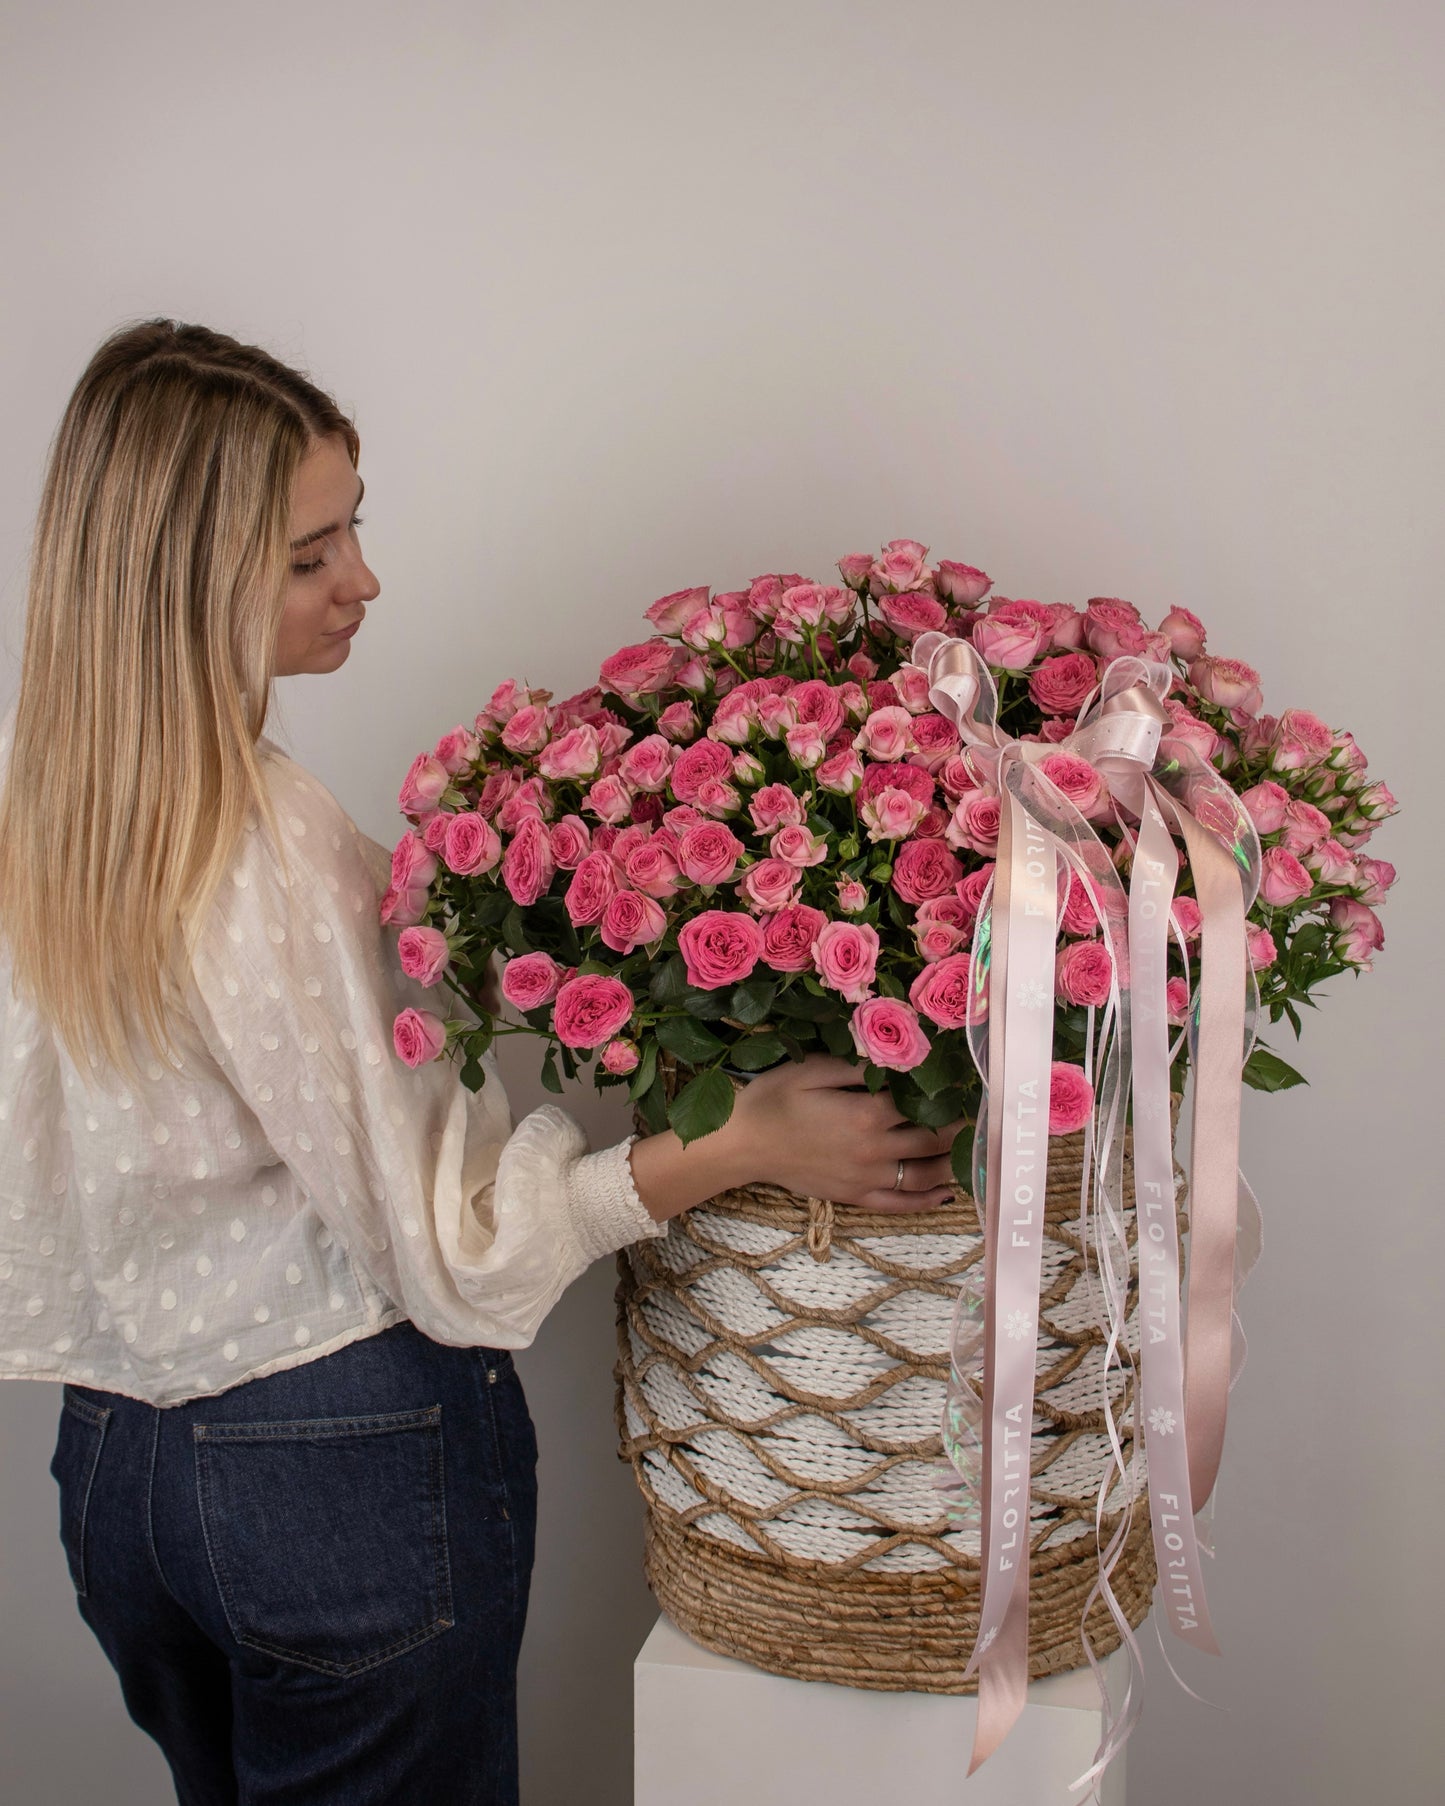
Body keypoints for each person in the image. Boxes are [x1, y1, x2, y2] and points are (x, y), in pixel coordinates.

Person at [0, 319, 963, 1806]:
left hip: (115, 1482)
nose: (362, 580)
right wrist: (744, 1141)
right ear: (186, 575)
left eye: (354, 526)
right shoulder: (258, 842)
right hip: (325, 1463)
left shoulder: (50, 826)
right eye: (311, 553)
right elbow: (451, 1248)